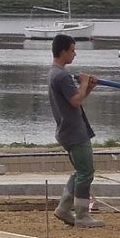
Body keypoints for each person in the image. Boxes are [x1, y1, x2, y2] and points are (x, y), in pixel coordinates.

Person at [48, 34, 105, 228]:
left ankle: (64, 209)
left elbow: (75, 100)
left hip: (67, 130)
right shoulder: (62, 75)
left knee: (80, 171)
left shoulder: (55, 73)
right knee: (86, 173)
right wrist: (83, 82)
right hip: (74, 132)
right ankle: (82, 215)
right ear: (63, 51)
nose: (75, 53)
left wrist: (88, 86)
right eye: (72, 50)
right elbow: (74, 100)